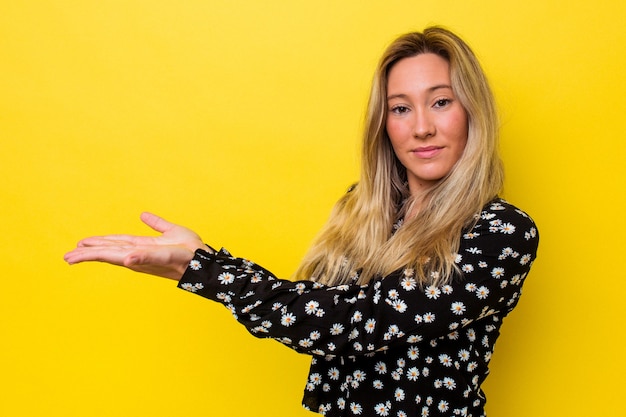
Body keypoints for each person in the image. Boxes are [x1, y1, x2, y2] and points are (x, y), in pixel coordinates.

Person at [64, 26, 539, 417]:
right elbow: (308, 315)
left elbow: (356, 322)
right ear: (383, 123)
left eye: (441, 101)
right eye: (400, 108)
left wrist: (206, 269)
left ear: (473, 111)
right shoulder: (362, 211)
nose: (420, 127)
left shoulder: (501, 234)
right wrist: (199, 264)